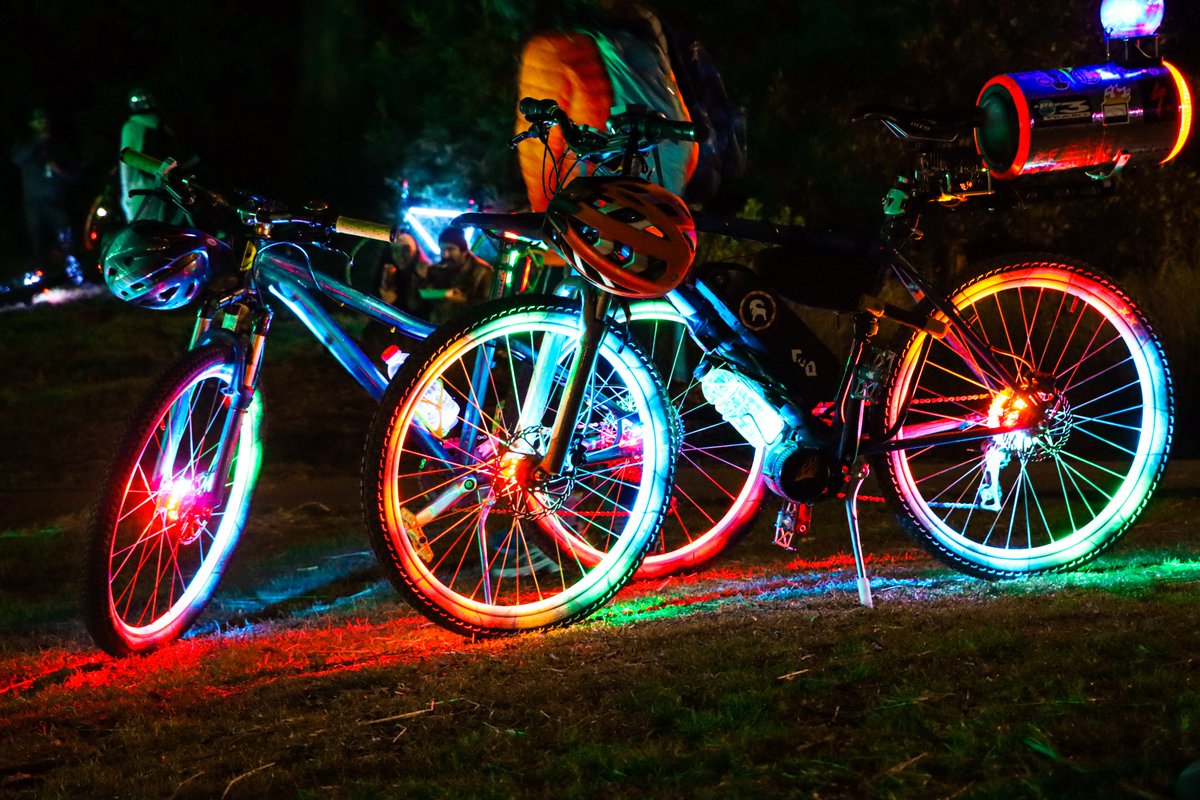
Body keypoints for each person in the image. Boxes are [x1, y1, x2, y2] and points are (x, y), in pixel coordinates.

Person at [11, 107, 78, 272]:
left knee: (65, 235)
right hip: (34, 202)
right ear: (31, 124)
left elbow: (75, 173)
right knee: (39, 239)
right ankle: (44, 273)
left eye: (44, 120)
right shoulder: (25, 142)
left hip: (57, 200)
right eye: (38, 121)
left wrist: (60, 170)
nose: (42, 124)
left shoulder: (58, 144)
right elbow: (17, 159)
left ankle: (72, 269)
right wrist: (37, 141)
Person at [119, 87, 180, 223]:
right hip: (164, 187)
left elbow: (126, 164)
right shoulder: (164, 127)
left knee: (139, 230)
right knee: (161, 230)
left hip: (140, 189)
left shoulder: (131, 126)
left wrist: (126, 195)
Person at [421, 227, 494, 323]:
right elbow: (422, 294)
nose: (445, 255)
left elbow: (488, 308)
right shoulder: (436, 269)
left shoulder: (483, 272)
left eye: (450, 249)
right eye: (442, 250)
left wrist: (463, 301)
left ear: (464, 251)